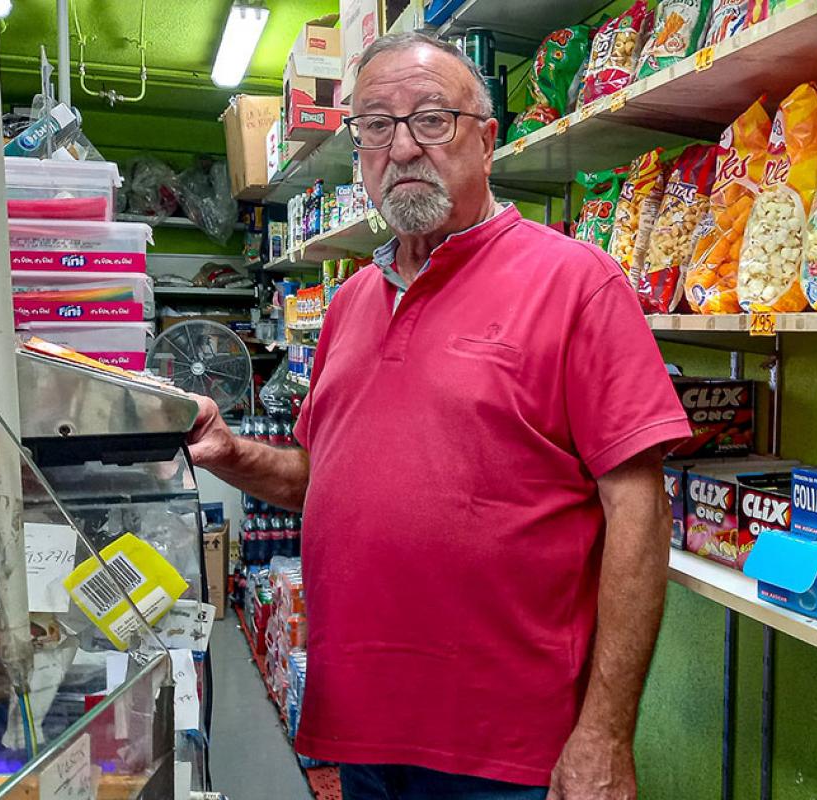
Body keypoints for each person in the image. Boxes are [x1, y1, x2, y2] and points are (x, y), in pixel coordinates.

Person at [188, 32, 691, 800]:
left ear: (486, 142)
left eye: (431, 119)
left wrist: (605, 733)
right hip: (362, 730)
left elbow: (640, 512)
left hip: (513, 752)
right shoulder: (350, 303)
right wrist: (229, 453)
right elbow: (326, 483)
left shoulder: (576, 283)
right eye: (376, 125)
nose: (402, 147)